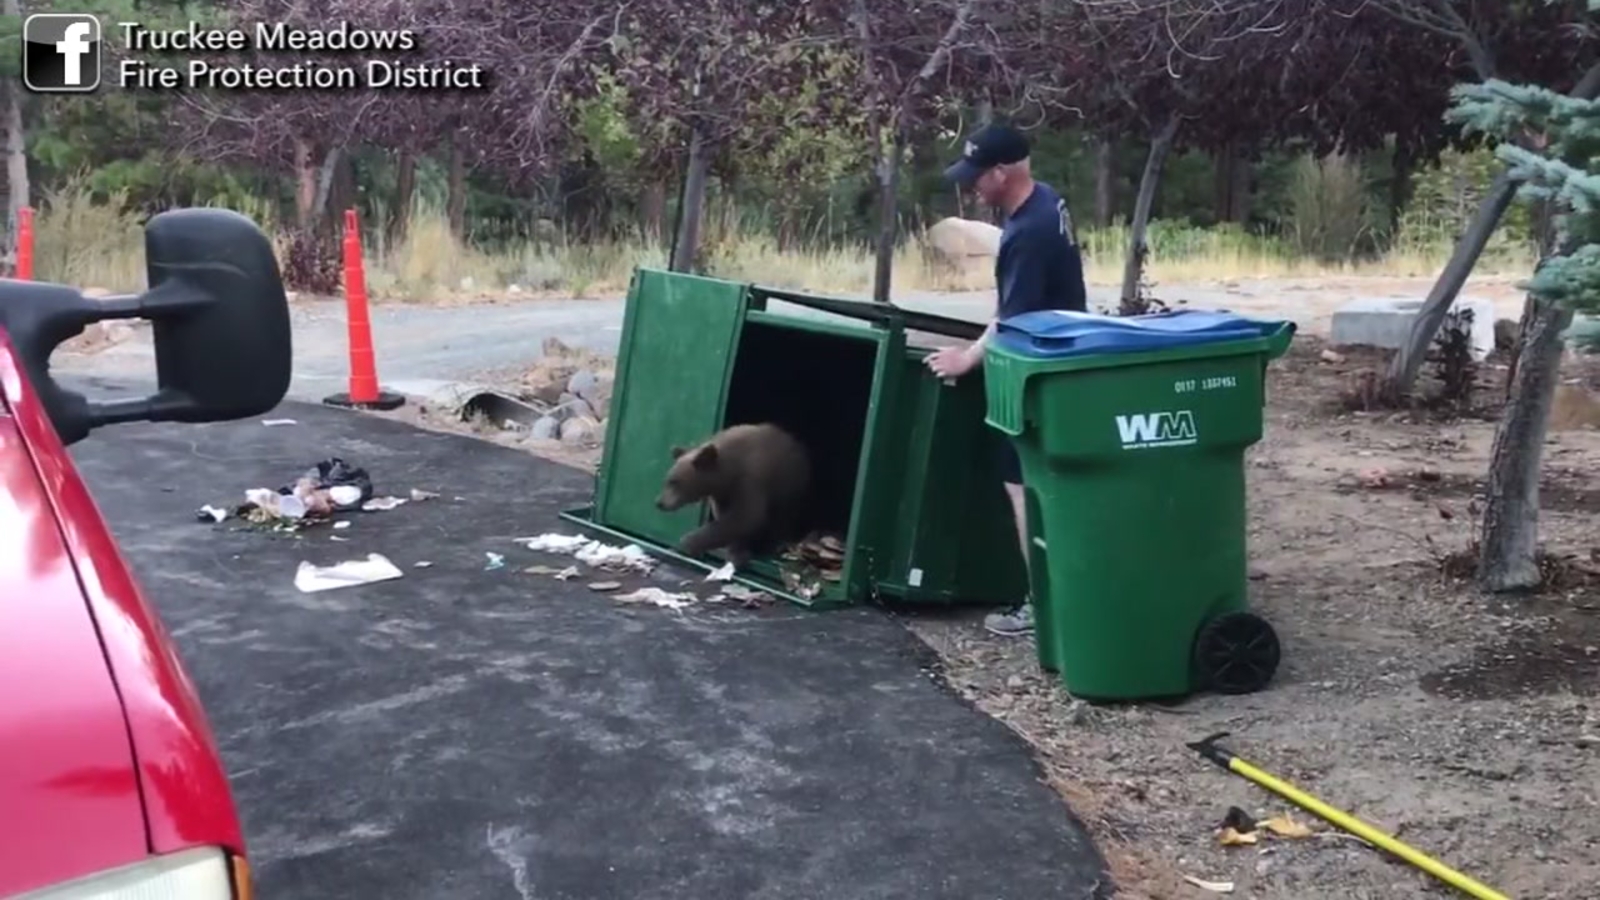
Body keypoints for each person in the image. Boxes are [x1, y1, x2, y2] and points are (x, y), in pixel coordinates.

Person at [924, 122, 1088, 637]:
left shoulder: (1028, 233)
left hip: (1038, 375)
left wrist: (967, 359)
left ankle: (1045, 608)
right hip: (1057, 362)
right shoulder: (1047, 202)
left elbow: (1013, 319)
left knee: (1025, 491)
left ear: (1002, 172)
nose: (971, 185)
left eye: (977, 175)